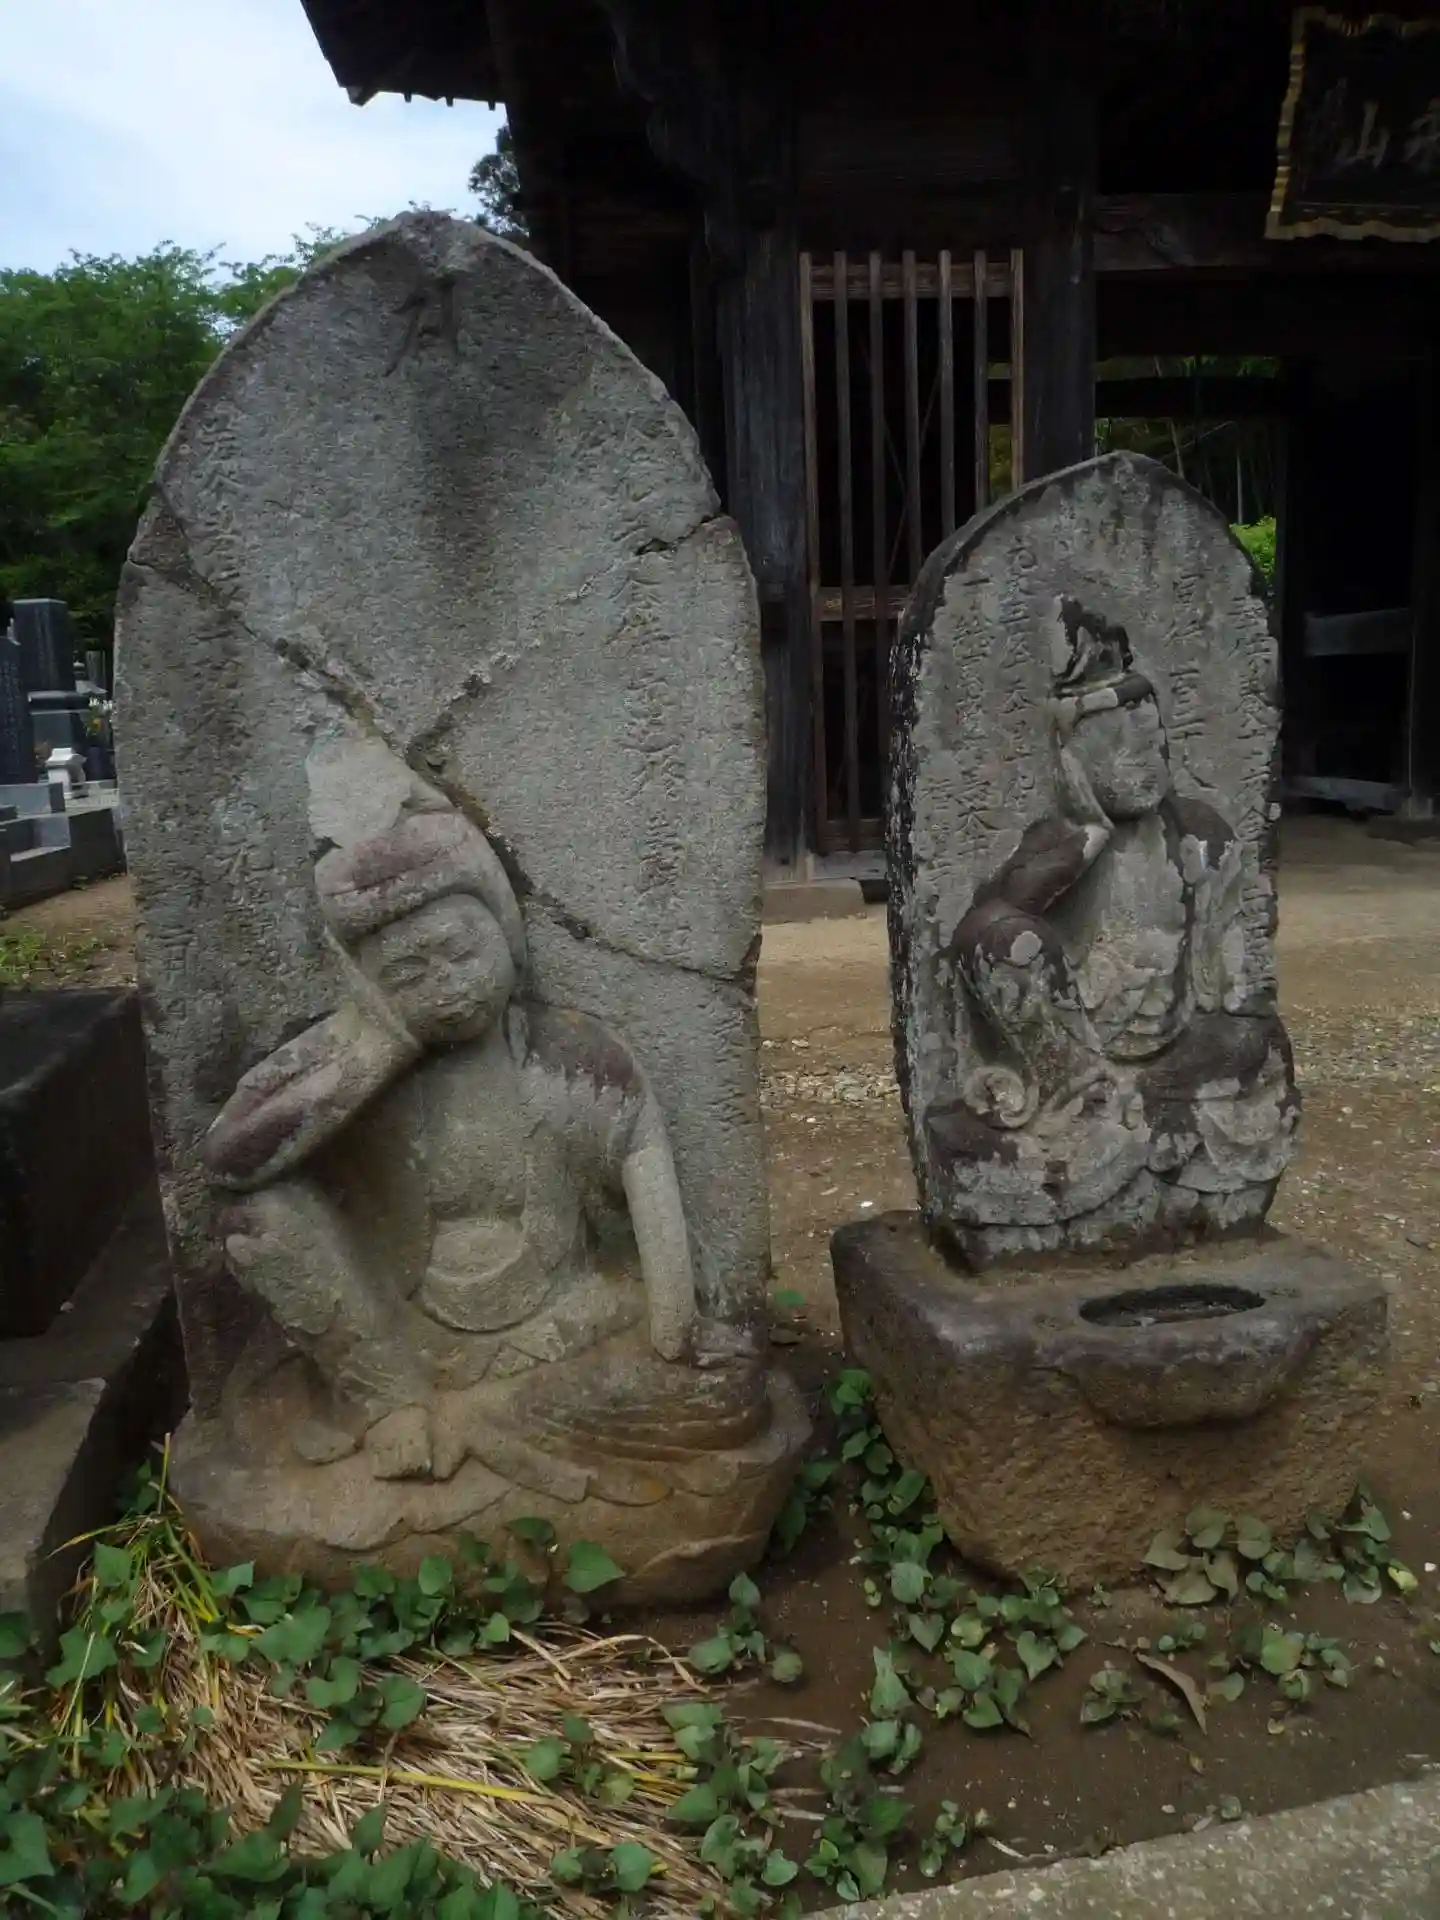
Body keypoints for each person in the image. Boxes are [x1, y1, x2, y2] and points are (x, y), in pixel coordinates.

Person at [202, 786, 707, 1481]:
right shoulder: (352, 1058)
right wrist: (378, 1050)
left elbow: (647, 1171)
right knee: (254, 1219)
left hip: (565, 1323)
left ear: (505, 934)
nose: (446, 985)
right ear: (370, 986)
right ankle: (392, 1408)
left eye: (461, 951)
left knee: (711, 1396)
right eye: (408, 973)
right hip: (395, 1344)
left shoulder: (574, 1055)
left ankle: (476, 1419)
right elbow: (228, 1161)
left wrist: (674, 1329)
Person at [929, 597, 1297, 1251]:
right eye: (1123, 748)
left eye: (1153, 743)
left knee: (1260, 1041)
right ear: (1076, 761)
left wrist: (1230, 1020)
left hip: (1177, 1055)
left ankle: (1140, 1112)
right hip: (1070, 1067)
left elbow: (1233, 980)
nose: (1145, 761)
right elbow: (983, 934)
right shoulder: (1059, 843)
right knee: (1001, 941)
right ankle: (1096, 1107)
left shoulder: (1200, 837)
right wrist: (1083, 840)